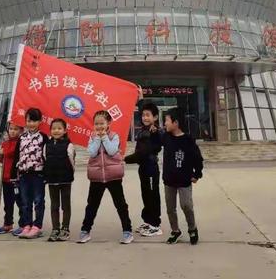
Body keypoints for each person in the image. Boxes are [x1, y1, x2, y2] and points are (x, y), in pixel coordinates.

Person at [78, 110, 133, 245]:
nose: (99, 126)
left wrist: (104, 138)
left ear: (109, 123)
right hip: (97, 177)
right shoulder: (92, 137)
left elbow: (112, 150)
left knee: (120, 204)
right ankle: (85, 231)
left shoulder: (114, 136)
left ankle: (127, 231)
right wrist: (97, 138)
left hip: (113, 176)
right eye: (96, 124)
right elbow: (91, 152)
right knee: (92, 205)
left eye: (102, 123)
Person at [162, 107, 203, 245]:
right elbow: (151, 127)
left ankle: (192, 228)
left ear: (176, 122)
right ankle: (175, 231)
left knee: (186, 205)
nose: (164, 124)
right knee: (170, 208)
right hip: (169, 180)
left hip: (184, 180)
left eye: (167, 120)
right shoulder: (166, 137)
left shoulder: (188, 140)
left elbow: (198, 158)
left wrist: (197, 174)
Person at [125, 102, 163, 237]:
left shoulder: (155, 132)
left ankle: (155, 224)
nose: (145, 117)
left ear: (156, 117)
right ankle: (148, 221)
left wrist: (125, 159)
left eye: (148, 115)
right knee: (146, 195)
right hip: (143, 168)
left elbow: (143, 152)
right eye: (143, 115)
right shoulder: (144, 130)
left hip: (151, 168)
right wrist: (140, 98)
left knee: (153, 195)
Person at [11, 108, 48, 239]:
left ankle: (37, 226)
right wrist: (13, 175)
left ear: (40, 121)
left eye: (34, 121)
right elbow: (17, 157)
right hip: (23, 174)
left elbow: (46, 156)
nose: (31, 123)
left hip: (38, 174)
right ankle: (27, 225)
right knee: (25, 201)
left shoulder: (43, 137)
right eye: (28, 121)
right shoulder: (22, 137)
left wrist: (46, 175)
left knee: (38, 201)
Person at [43, 118, 76, 242]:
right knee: (54, 205)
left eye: (59, 128)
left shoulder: (69, 145)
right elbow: (45, 159)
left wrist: (69, 175)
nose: (56, 131)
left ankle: (65, 228)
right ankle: (55, 228)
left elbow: (72, 162)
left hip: (65, 179)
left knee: (65, 205)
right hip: (52, 179)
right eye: (53, 128)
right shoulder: (47, 145)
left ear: (65, 130)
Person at [0, 122, 24, 235]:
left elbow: (13, 152)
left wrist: (5, 151)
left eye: (16, 129)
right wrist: (0, 154)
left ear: (21, 131)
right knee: (8, 203)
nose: (13, 131)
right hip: (5, 178)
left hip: (16, 178)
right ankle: (8, 223)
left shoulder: (20, 142)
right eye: (11, 129)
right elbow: (2, 160)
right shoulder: (5, 143)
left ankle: (24, 223)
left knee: (20, 202)